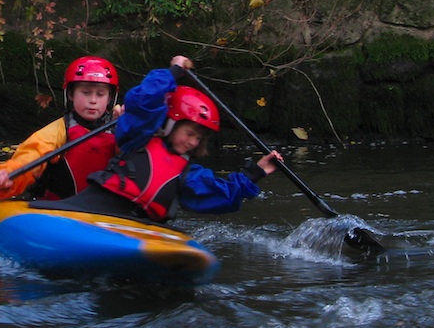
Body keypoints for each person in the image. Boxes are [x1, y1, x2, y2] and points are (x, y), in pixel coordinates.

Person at [47, 55, 282, 222]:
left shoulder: (186, 173)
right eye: (189, 133)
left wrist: (256, 172)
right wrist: (172, 73)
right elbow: (143, 101)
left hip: (138, 227)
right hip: (95, 211)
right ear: (170, 124)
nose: (193, 142)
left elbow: (220, 193)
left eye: (199, 138)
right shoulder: (136, 138)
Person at [0, 55, 123, 200]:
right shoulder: (58, 131)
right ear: (70, 94)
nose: (93, 100)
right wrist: (9, 172)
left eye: (100, 94)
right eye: (86, 92)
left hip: (105, 208)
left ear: (109, 98)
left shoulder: (120, 126)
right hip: (59, 207)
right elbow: (31, 155)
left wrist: (131, 126)